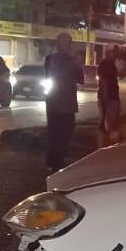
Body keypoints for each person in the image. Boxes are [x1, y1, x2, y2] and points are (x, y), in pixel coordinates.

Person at [44, 33, 83, 173]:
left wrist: (75, 63)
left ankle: (54, 160)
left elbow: (80, 78)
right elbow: (79, 78)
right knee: (61, 133)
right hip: (63, 104)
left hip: (56, 104)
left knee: (56, 133)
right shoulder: (64, 60)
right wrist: (74, 62)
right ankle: (56, 161)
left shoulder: (51, 59)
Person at [96, 47, 121, 146]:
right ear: (108, 53)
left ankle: (106, 142)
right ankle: (107, 144)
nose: (116, 55)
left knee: (106, 120)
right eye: (113, 53)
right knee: (110, 121)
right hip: (110, 97)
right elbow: (104, 82)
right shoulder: (107, 65)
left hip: (108, 97)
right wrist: (106, 99)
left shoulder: (108, 64)